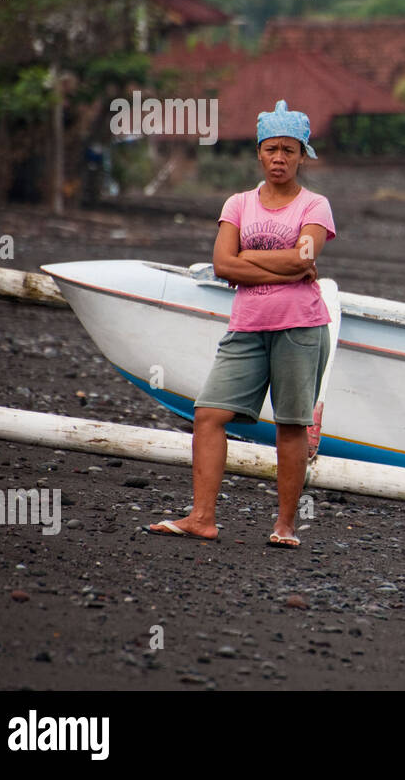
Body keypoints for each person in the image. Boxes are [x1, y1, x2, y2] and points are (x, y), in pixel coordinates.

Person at [147, 100, 336, 548]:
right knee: (209, 413)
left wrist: (247, 259)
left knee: (290, 424)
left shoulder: (316, 205)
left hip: (301, 327)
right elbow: (221, 264)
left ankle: (285, 526)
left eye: (289, 151)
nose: (279, 158)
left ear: (302, 155)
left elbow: (304, 257)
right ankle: (202, 517)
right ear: (258, 151)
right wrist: (281, 266)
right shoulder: (238, 204)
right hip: (247, 326)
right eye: (272, 149)